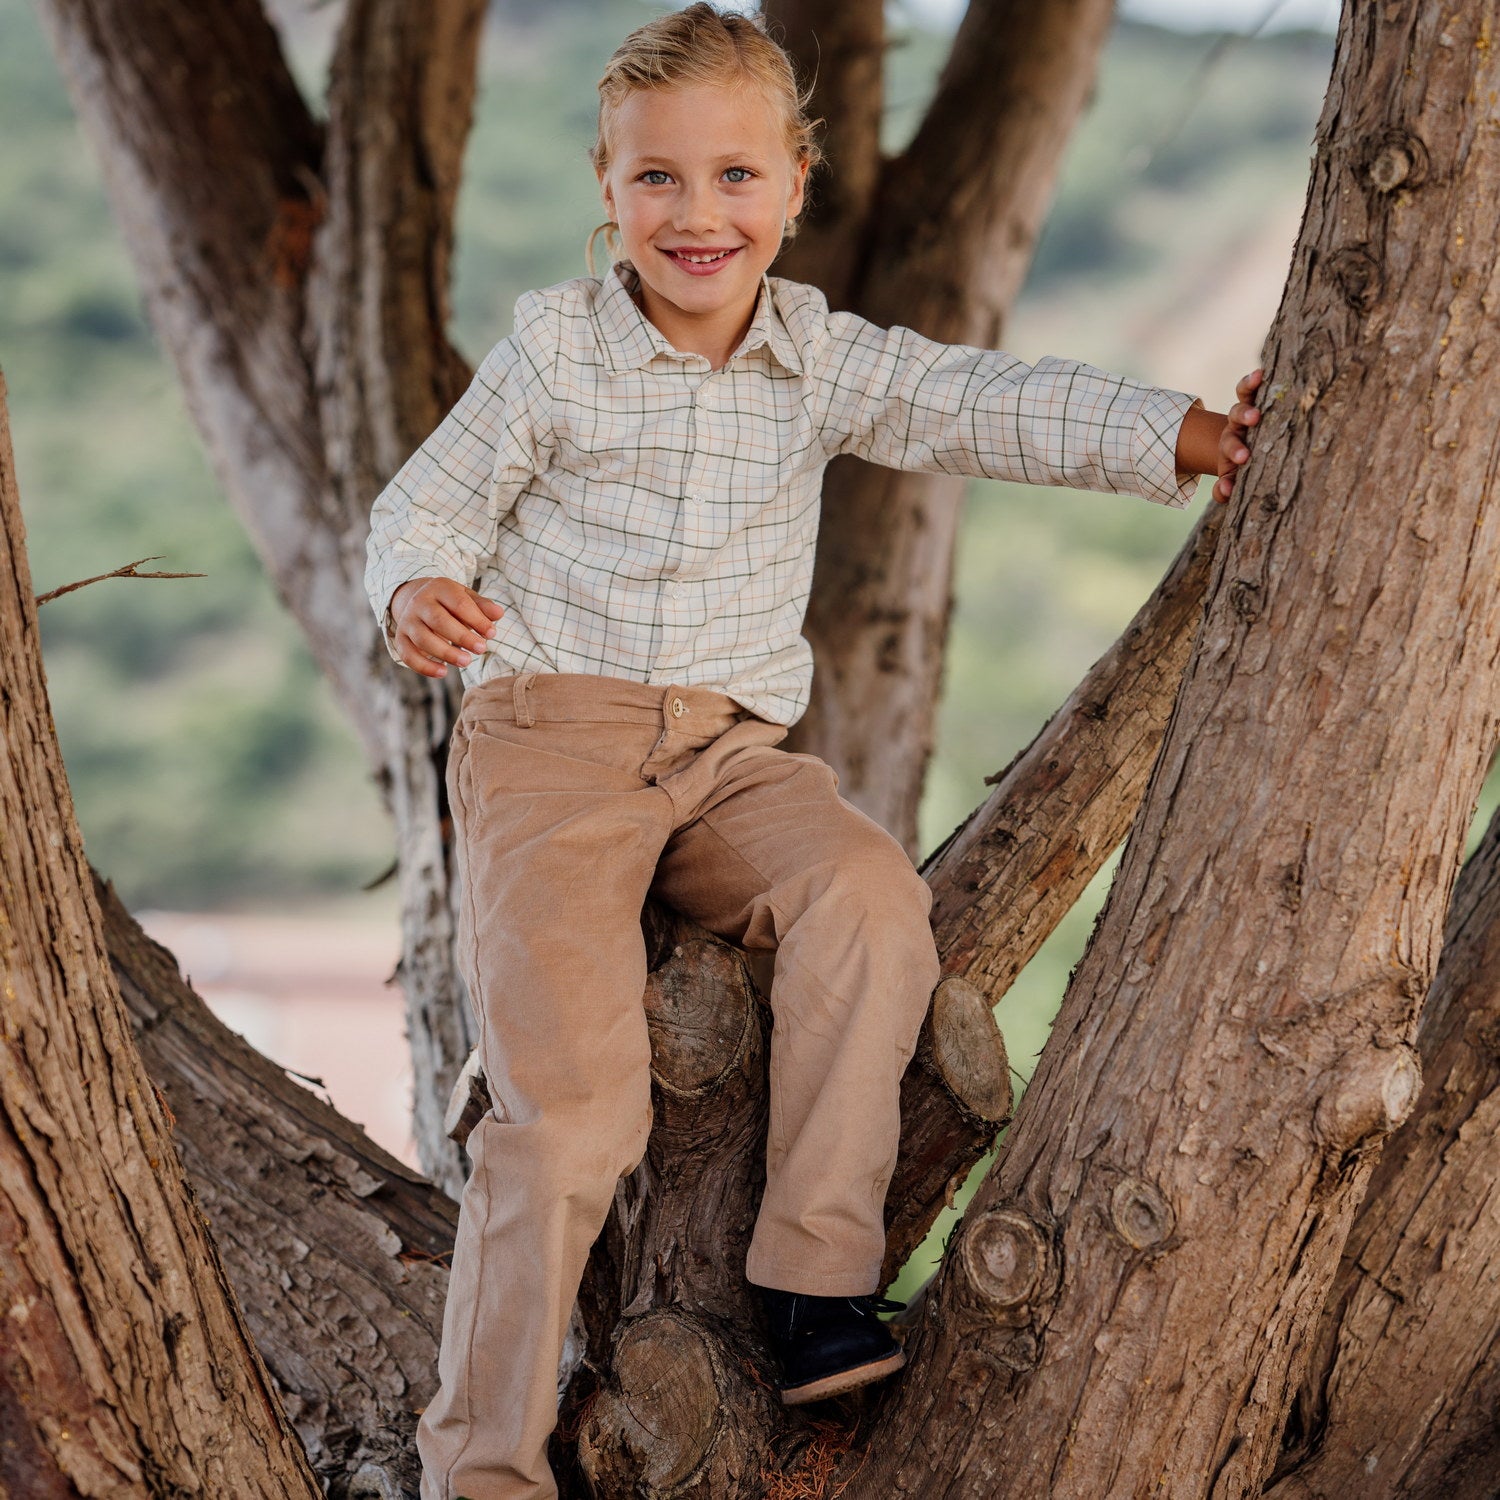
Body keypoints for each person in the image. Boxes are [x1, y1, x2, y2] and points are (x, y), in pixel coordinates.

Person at [364, 7, 1262, 1497]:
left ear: (791, 182)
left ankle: (809, 1282)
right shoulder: (555, 357)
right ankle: (482, 1465)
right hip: (553, 748)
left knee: (863, 894)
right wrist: (415, 590)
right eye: (659, 180)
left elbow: (982, 401)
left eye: (734, 177)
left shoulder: (819, 359)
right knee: (573, 1114)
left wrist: (1181, 433)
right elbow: (425, 501)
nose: (698, 214)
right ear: (605, 187)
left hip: (724, 754)